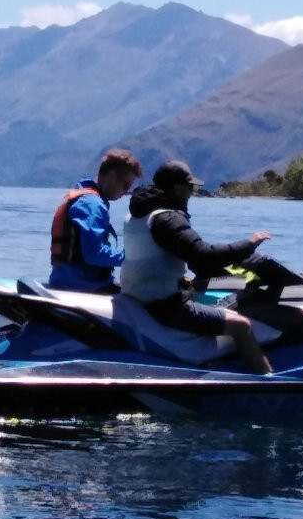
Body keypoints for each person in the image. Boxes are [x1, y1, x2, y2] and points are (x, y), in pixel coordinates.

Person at [120, 160, 274, 374]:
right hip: (166, 306)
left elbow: (187, 256)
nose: (192, 193)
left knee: (209, 289)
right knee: (242, 326)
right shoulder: (167, 219)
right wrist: (249, 245)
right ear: (176, 188)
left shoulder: (138, 214)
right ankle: (268, 383)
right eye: (189, 187)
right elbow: (203, 255)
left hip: (139, 297)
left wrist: (223, 275)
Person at [48, 149, 143, 293]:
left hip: (62, 280)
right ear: (112, 176)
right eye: (126, 185)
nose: (126, 192)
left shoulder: (83, 196)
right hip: (84, 285)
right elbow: (94, 253)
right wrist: (131, 257)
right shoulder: (93, 205)